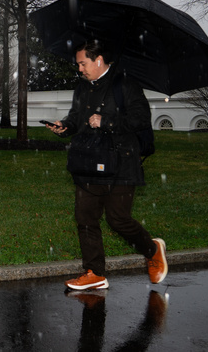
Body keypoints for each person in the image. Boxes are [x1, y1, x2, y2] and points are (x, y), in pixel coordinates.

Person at [46, 38, 168, 291]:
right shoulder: (82, 87)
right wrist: (65, 126)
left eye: (83, 63)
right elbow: (78, 118)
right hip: (88, 160)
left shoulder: (125, 83)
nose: (79, 69)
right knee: (85, 218)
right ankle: (94, 272)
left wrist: (107, 121)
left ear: (98, 60)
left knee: (118, 220)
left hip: (121, 162)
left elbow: (141, 118)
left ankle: (153, 250)